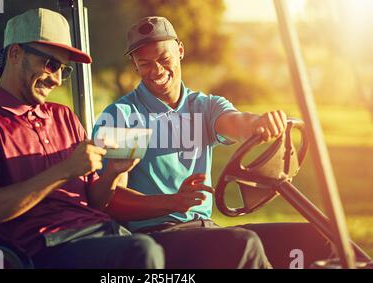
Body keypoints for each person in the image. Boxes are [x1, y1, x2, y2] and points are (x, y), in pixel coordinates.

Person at [92, 16, 333, 268]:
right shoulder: (122, 116)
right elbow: (111, 201)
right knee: (242, 243)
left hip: (205, 229)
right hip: (156, 236)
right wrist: (173, 202)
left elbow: (236, 122)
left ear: (180, 50)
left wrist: (258, 123)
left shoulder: (204, 106)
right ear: (134, 65)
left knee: (318, 236)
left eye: (164, 59)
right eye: (145, 63)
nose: (157, 70)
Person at [0, 8, 165, 269]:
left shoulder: (64, 116)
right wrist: (63, 171)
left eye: (64, 70)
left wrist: (112, 174)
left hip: (97, 232)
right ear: (15, 54)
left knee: (173, 250)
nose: (57, 80)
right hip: (36, 251)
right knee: (141, 251)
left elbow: (94, 200)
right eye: (51, 65)